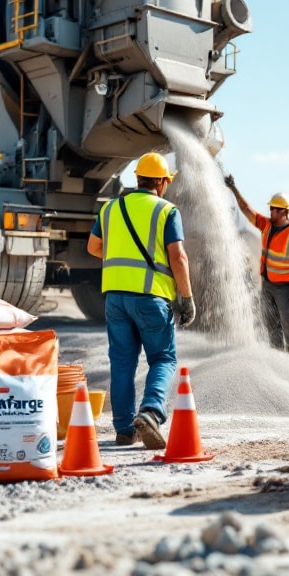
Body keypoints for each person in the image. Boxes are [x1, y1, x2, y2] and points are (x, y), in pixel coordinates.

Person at [87, 152, 195, 449]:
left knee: (122, 363)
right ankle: (150, 412)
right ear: (161, 182)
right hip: (152, 297)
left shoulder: (110, 209)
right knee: (163, 358)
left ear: (138, 179)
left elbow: (94, 247)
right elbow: (179, 257)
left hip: (115, 298)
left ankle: (124, 430)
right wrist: (187, 297)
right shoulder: (166, 210)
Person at [223, 175, 289, 358]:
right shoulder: (267, 226)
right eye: (270, 209)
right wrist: (234, 189)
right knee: (271, 324)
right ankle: (278, 357)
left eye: (274, 209)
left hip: (287, 288)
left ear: (284, 212)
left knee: (288, 323)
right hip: (268, 285)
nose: (271, 212)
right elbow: (247, 211)